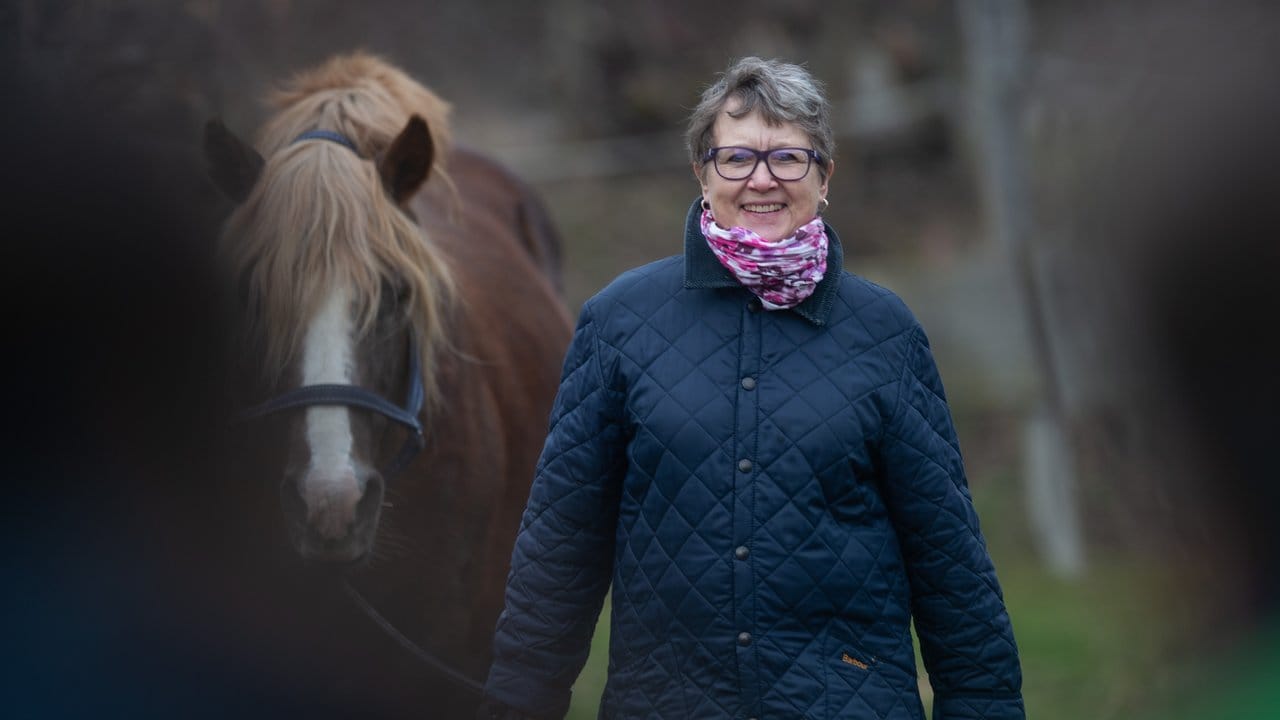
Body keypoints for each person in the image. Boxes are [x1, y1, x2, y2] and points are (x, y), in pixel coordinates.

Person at [479, 57, 1023, 720]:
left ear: (825, 178)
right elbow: (559, 551)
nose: (762, 179)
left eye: (789, 157)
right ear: (702, 174)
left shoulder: (885, 332)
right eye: (736, 157)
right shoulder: (618, 323)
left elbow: (949, 563)